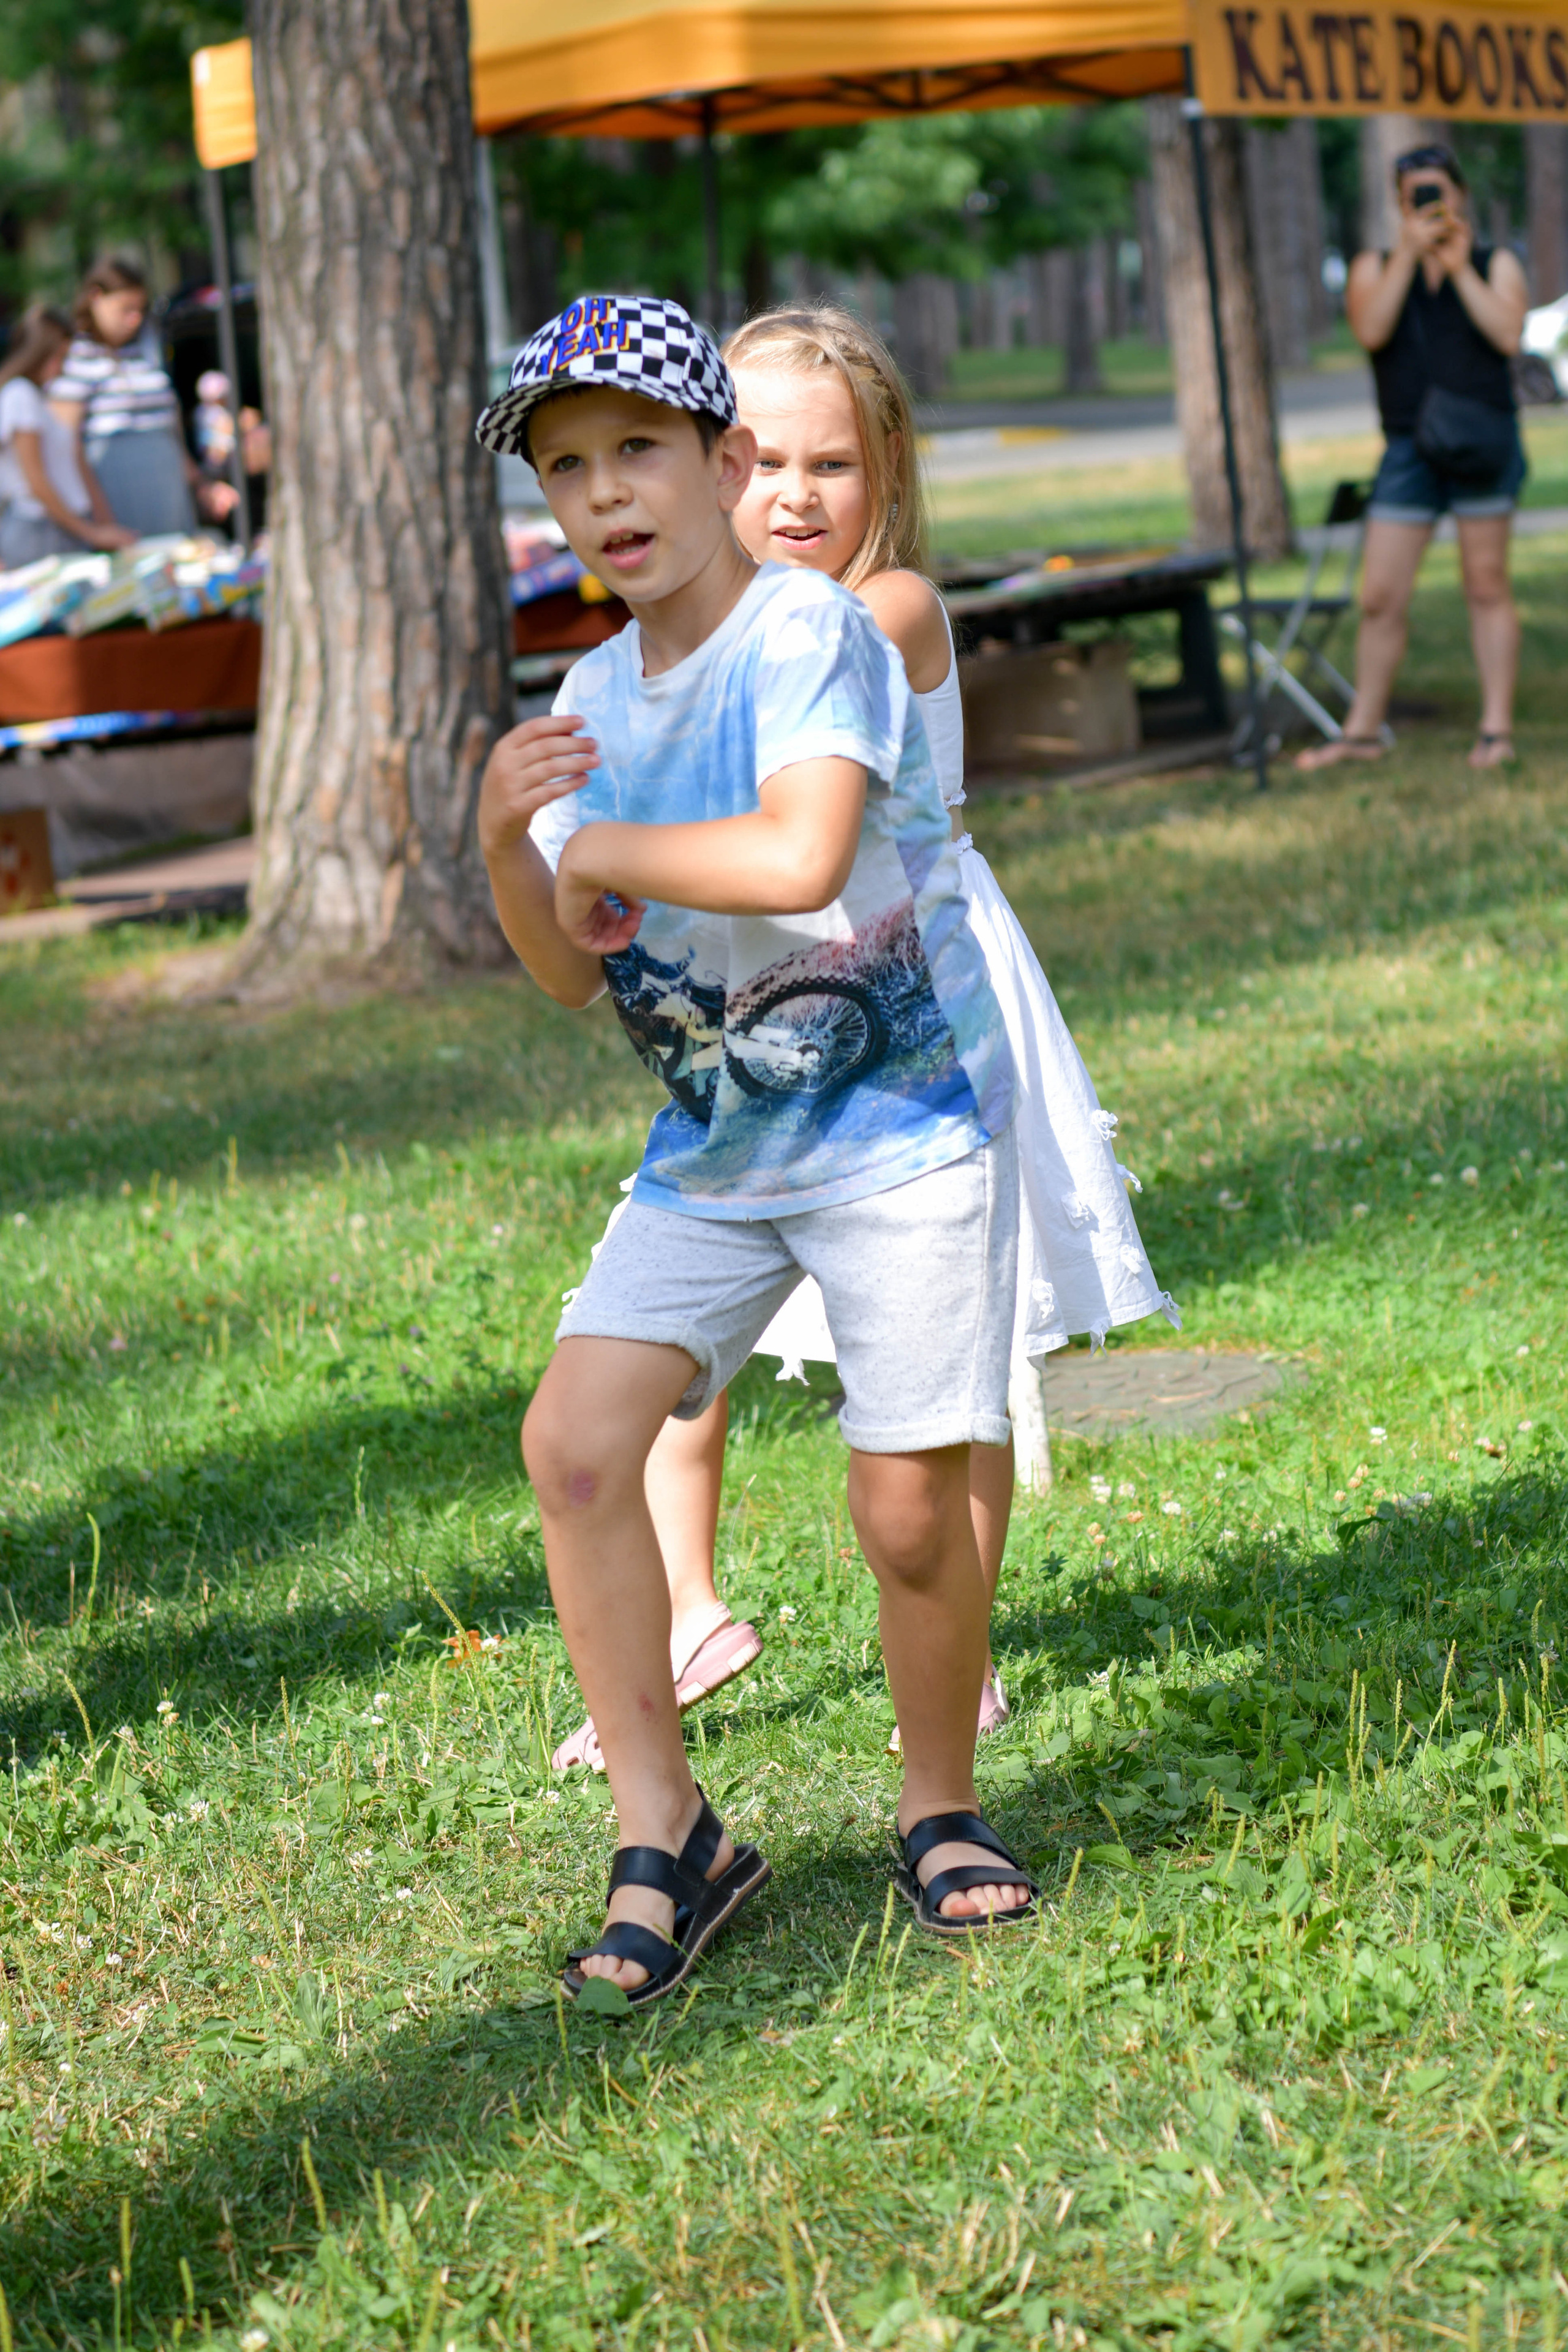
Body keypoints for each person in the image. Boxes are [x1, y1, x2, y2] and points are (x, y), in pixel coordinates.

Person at [475, 295, 1038, 2002]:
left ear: (723, 462)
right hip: (716, 1141)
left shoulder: (812, 634)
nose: (607, 493)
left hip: (892, 1126)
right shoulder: (584, 689)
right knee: (575, 1445)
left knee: (907, 1510)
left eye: (638, 448)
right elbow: (575, 966)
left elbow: (801, 859)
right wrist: (510, 845)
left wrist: (604, 844)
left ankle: (939, 1810)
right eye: (568, 469)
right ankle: (672, 1832)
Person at [548, 304, 1178, 1778]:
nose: (789, 494)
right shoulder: (715, 634)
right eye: (757, 459)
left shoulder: (873, 611)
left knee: (951, 1372)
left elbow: (795, 822)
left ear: (884, 476)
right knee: (664, 1331)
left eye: (829, 464)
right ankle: (685, 1609)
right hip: (759, 1032)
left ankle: (954, 1660)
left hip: (916, 1014)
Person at [1299, 143, 1528, 775]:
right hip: (1408, 447)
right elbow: (1370, 330)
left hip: (1482, 439)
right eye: (1413, 197)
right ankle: (1363, 730)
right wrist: (1407, 254)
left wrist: (1457, 267)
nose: (1428, 206)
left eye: (1436, 193)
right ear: (1397, 206)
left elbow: (1508, 335)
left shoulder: (1493, 261)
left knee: (1486, 584)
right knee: (1379, 595)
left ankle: (1495, 729)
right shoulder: (1376, 264)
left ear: (1459, 196)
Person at [50, 257, 234, 540]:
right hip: (117, 495)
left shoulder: (146, 350)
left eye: (140, 309)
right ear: (96, 298)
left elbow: (168, 430)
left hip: (167, 490)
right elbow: (67, 445)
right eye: (126, 309)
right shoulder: (76, 357)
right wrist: (100, 519)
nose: (135, 319)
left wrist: (200, 484)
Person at [0, 306, 134, 567]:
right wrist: (92, 533)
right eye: (59, 356)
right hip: (40, 533)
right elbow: (36, 483)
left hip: (53, 530)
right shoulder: (21, 394)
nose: (61, 368)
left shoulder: (32, 397)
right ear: (38, 353)